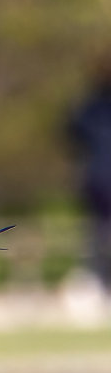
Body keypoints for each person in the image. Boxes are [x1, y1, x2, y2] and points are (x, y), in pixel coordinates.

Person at [66, 58, 111, 290]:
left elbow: (72, 134)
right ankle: (99, 278)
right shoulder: (91, 108)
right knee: (100, 231)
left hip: (97, 177)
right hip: (100, 178)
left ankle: (99, 277)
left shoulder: (88, 108)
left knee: (99, 231)